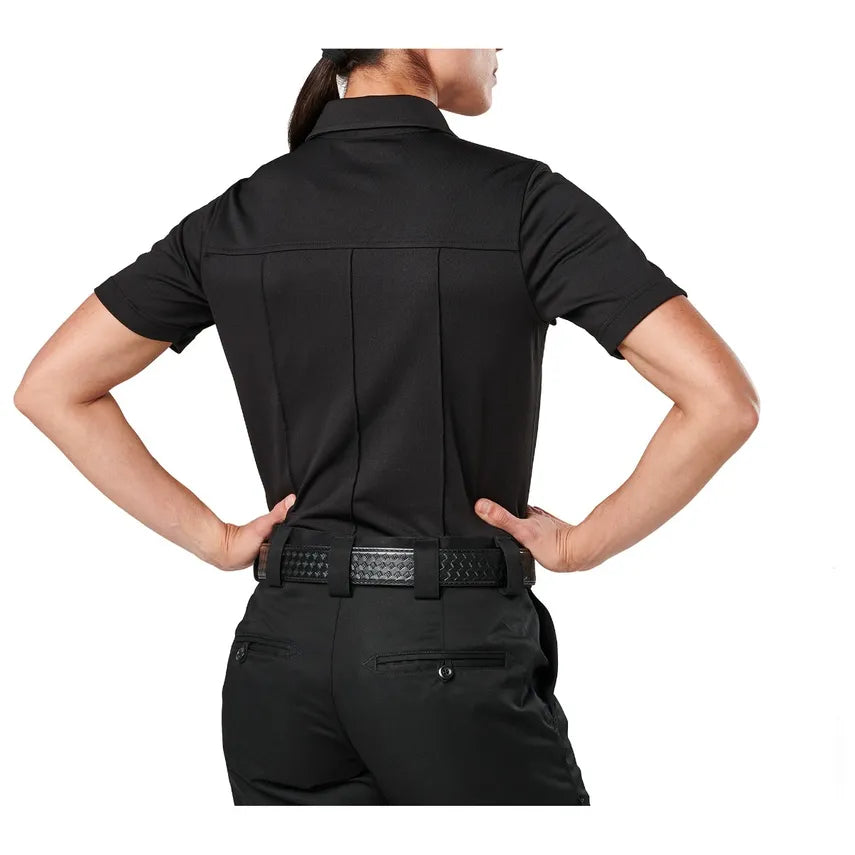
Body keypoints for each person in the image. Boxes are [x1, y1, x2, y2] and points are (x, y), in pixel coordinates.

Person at [13, 48, 760, 805]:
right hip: (447, 657)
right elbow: (721, 401)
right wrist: (582, 543)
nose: (499, 45)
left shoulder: (239, 213)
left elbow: (53, 388)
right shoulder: (523, 202)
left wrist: (214, 539)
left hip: (279, 662)